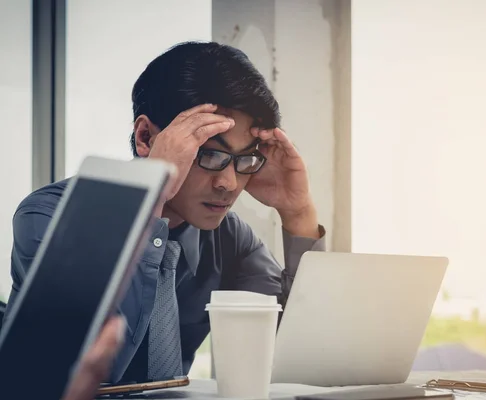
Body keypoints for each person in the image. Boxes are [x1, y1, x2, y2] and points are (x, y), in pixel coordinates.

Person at [4, 41, 326, 383]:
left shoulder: (227, 237)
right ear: (146, 137)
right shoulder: (49, 216)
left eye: (245, 159)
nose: (229, 183)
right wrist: (151, 199)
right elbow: (85, 371)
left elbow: (305, 349)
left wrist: (297, 212)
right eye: (210, 154)